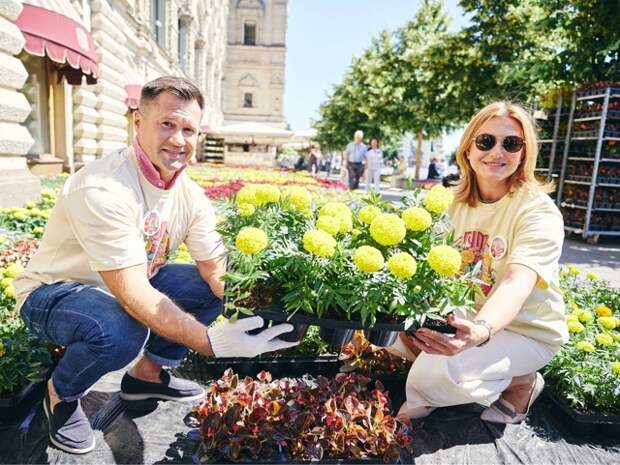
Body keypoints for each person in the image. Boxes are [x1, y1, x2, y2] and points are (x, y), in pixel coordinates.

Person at [14, 76, 297, 454]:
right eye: (167, 124)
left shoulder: (189, 195)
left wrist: (274, 313)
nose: (179, 140)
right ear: (138, 123)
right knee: (120, 327)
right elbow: (132, 295)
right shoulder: (104, 187)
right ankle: (61, 394)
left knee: (201, 287)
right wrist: (210, 342)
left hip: (126, 288)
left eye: (189, 129)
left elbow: (216, 272)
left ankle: (147, 375)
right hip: (55, 294)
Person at [391, 101, 568, 424]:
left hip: (526, 332)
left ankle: (521, 381)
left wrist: (480, 331)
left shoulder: (537, 211)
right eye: (486, 141)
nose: (497, 152)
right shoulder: (450, 202)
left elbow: (517, 280)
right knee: (387, 343)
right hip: (464, 316)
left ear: (524, 153)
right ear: (468, 149)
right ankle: (458, 374)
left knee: (438, 370)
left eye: (511, 143)